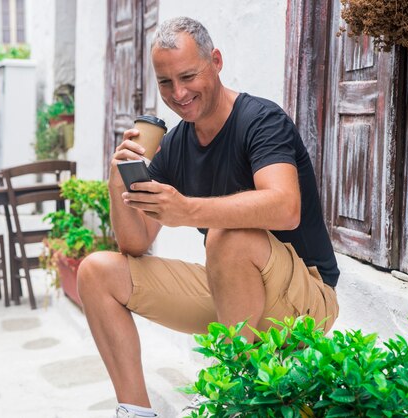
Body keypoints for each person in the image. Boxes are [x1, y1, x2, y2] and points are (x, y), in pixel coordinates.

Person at [76, 16, 340, 418]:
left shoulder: (261, 120)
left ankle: (236, 400)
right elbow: (134, 244)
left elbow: (286, 207)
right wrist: (118, 181)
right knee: (96, 271)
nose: (179, 93)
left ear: (215, 61)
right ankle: (135, 411)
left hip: (305, 293)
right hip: (234, 290)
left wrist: (188, 210)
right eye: (166, 82)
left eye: (188, 76)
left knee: (227, 236)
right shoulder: (176, 143)